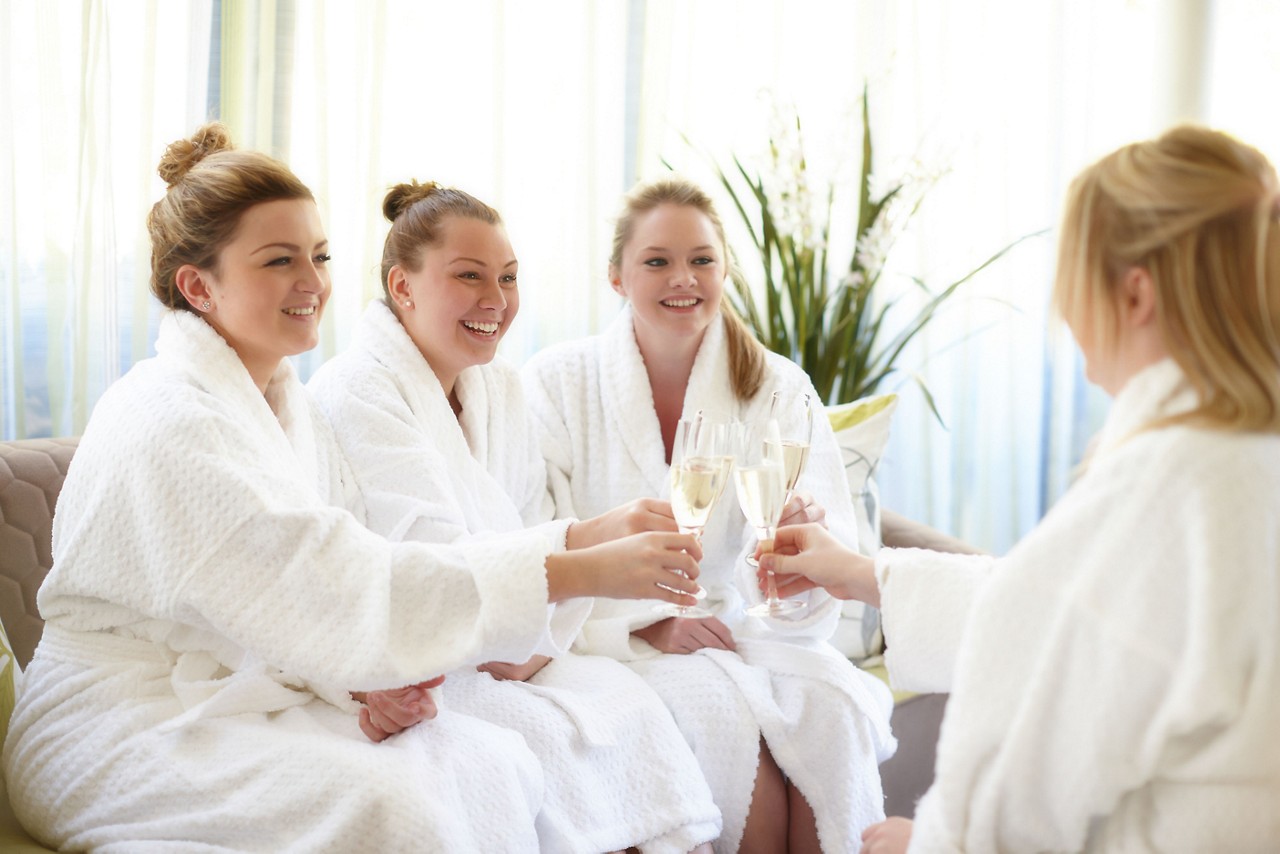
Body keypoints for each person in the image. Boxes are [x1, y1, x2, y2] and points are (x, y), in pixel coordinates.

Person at [1, 123, 705, 852]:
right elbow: (336, 580)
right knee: (399, 804)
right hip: (115, 730)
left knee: (488, 761)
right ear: (197, 286)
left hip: (234, 695)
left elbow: (303, 599)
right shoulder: (169, 418)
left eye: (321, 255)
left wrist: (365, 686)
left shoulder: (285, 406)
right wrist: (577, 563)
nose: (314, 283)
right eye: (280, 261)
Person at [760, 125, 1280, 853]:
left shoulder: (1166, 492)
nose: (1066, 315)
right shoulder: (1243, 461)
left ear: (1135, 294)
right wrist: (861, 574)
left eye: (1071, 279)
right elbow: (1069, 615)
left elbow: (1019, 806)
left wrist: (934, 844)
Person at [307, 180, 722, 853]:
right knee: (543, 748)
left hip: (510, 644)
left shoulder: (496, 383)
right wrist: (582, 565)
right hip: (419, 660)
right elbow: (432, 567)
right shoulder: (357, 392)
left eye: (508, 277)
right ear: (403, 287)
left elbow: (533, 516)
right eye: (469, 276)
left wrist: (542, 617)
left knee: (635, 708)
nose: (496, 301)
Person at [522, 176, 897, 854]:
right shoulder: (557, 383)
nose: (682, 279)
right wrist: (651, 620)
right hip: (615, 640)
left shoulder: (778, 386)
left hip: (743, 629)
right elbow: (533, 545)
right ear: (616, 276)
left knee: (834, 713)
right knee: (723, 721)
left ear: (724, 270)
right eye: (657, 261)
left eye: (701, 260)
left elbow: (830, 543)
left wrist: (800, 558)